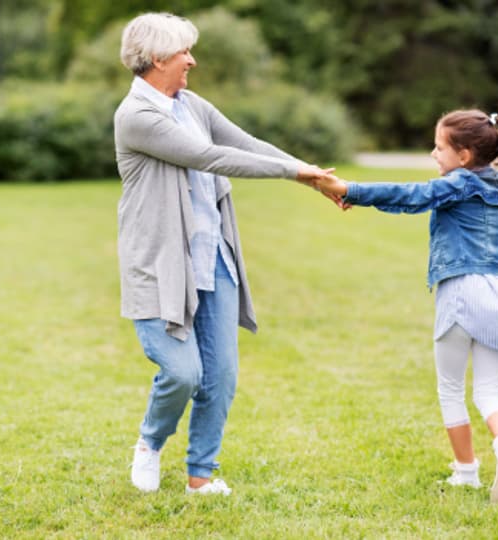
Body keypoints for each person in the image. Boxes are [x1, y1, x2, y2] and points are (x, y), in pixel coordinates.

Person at [114, 12, 339, 496]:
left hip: (212, 254)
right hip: (160, 262)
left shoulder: (190, 104)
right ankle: (150, 443)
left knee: (220, 375)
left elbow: (242, 142)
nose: (192, 60)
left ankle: (200, 475)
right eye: (183, 53)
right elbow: (209, 156)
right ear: (157, 59)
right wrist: (293, 176)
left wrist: (310, 171)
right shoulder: (137, 116)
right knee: (182, 372)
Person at [313, 110, 498, 503]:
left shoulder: (459, 182)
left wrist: (349, 189)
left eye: (439, 147)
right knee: (488, 390)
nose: (434, 154)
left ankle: (467, 473)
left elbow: (411, 196)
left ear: (465, 155)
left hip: (461, 294)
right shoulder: (494, 183)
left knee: (450, 388)